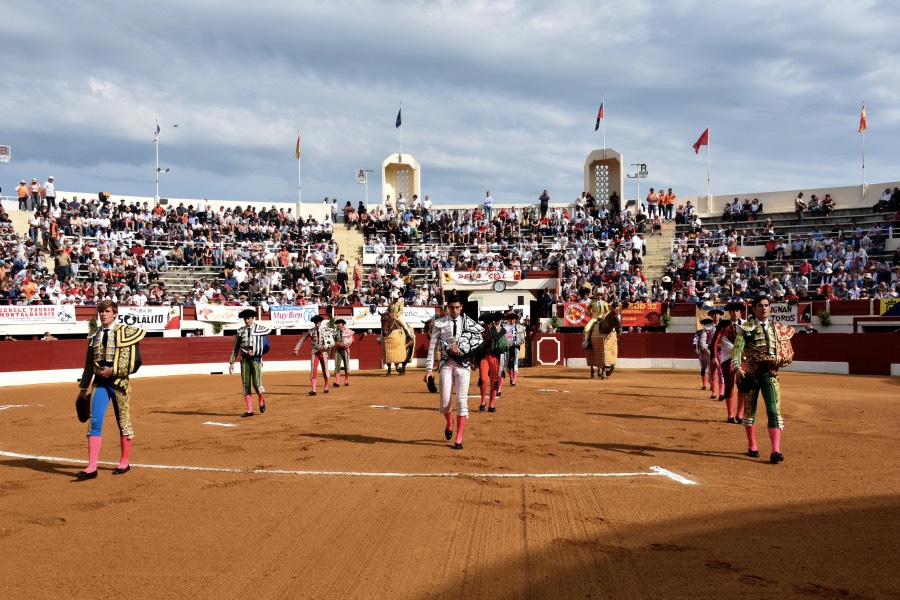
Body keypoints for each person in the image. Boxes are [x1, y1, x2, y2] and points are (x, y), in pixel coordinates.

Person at [75, 300, 147, 479]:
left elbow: (135, 362)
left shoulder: (126, 332)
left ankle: (124, 461)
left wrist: (113, 370)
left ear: (115, 313)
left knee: (123, 421)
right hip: (100, 383)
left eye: (107, 311)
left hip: (119, 383)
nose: (103, 314)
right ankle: (92, 467)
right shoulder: (95, 335)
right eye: (101, 311)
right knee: (95, 422)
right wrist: (83, 388)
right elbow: (88, 365)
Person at [733, 295, 796, 463]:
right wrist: (738, 367)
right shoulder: (746, 327)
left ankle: (776, 450)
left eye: (766, 305)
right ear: (754, 308)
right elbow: (737, 349)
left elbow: (787, 354)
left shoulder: (778, 328)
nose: (764, 308)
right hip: (751, 374)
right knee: (749, 411)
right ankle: (752, 445)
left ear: (770, 308)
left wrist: (777, 360)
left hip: (771, 374)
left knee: (774, 411)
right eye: (760, 305)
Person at [423, 294, 485, 450]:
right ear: (448, 308)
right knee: (445, 402)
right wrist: (429, 369)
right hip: (446, 364)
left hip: (463, 365)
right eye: (452, 308)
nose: (455, 310)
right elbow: (432, 347)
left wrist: (467, 353)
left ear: (461, 307)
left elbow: (478, 342)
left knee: (461, 401)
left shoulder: (469, 323)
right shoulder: (440, 323)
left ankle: (459, 438)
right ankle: (449, 422)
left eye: (457, 307)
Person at [228, 308, 271, 417]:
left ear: (252, 318)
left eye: (248, 319)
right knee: (246, 385)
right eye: (245, 319)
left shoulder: (260, 329)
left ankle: (261, 400)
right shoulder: (240, 331)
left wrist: (255, 351)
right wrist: (232, 362)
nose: (246, 321)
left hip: (256, 359)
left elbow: (266, 346)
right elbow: (236, 347)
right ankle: (249, 410)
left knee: (257, 384)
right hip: (244, 360)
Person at [712, 302, 745, 423]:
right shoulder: (723, 325)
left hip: (743, 358)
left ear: (740, 312)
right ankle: (730, 415)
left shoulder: (746, 325)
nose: (735, 313)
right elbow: (715, 341)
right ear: (729, 313)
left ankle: (740, 415)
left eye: (737, 311)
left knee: (743, 386)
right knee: (729, 386)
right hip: (727, 358)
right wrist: (714, 356)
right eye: (733, 311)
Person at [293, 314, 335, 395]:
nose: (317, 324)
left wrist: (326, 347)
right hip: (314, 352)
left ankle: (326, 387)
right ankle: (314, 390)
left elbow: (332, 342)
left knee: (325, 370)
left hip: (323, 352)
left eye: (318, 322)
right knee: (313, 370)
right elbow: (303, 339)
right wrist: (296, 348)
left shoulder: (326, 330)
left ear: (321, 322)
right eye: (315, 323)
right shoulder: (311, 331)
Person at [477, 313, 505, 413]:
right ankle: (483, 400)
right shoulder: (480, 330)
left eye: (489, 322)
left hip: (494, 357)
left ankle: (491, 403)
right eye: (486, 322)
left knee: (494, 380)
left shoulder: (497, 330)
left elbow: (502, 345)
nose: (487, 324)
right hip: (483, 357)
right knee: (483, 379)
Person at [504, 311, 527, 386]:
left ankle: (514, 380)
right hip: (507, 347)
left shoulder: (519, 327)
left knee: (515, 362)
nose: (512, 320)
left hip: (516, 346)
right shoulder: (505, 327)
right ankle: (511, 376)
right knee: (507, 363)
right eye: (511, 319)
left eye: (513, 319)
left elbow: (523, 339)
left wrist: (515, 343)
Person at [332, 319, 354, 386]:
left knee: (346, 365)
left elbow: (352, 340)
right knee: (337, 365)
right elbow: (331, 342)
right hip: (338, 350)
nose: (338, 325)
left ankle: (346, 381)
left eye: (339, 324)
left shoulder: (348, 331)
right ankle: (337, 382)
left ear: (343, 324)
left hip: (345, 350)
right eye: (337, 324)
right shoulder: (334, 333)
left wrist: (346, 344)